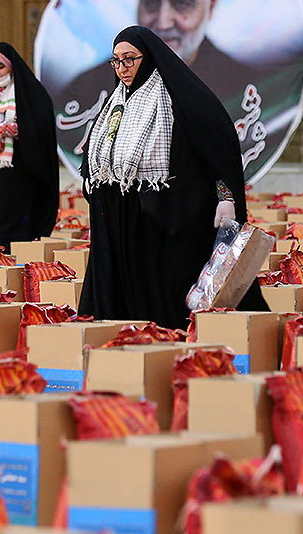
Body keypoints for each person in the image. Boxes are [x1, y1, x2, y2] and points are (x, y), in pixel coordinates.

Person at [56, 0, 301, 172]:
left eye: (182, 3)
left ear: (212, 2)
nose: (163, 22)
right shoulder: (89, 89)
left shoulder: (243, 90)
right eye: (151, 1)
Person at [78, 25, 269, 330]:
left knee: (169, 303)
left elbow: (217, 152)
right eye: (116, 61)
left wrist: (226, 197)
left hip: (168, 222)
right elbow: (98, 152)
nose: (122, 68)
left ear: (149, 56)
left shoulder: (180, 100)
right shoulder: (116, 103)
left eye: (130, 59)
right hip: (121, 221)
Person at [0, 42, 59, 244]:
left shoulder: (30, 93)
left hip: (18, 169)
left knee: (13, 222)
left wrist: (4, 129)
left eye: (0, 67)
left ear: (11, 66)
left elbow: (39, 128)